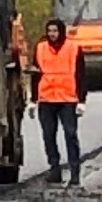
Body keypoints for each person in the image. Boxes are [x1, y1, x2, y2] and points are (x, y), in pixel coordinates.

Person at [33, 11, 86, 184]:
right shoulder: (40, 48)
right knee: (49, 135)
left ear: (61, 31)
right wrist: (33, 100)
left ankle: (75, 172)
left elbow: (81, 75)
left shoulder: (73, 48)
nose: (52, 34)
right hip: (46, 99)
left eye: (55, 31)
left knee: (70, 134)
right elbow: (35, 74)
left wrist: (82, 100)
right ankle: (54, 170)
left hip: (68, 100)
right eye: (49, 31)